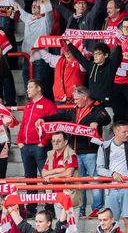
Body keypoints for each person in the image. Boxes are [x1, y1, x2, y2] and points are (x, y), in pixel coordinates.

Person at [39, 86, 110, 218]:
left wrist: (96, 121)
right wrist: (46, 119)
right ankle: (81, 208)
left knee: (94, 180)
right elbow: (61, 116)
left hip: (90, 151)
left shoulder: (97, 108)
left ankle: (98, 209)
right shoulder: (75, 109)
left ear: (84, 97)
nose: (75, 101)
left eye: (77, 99)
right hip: (75, 152)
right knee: (78, 182)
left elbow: (107, 119)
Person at [17, 79, 58, 216]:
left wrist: (44, 142)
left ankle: (50, 208)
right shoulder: (28, 105)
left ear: (38, 88)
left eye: (30, 87)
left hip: (40, 147)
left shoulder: (49, 105)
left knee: (46, 177)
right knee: (29, 178)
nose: (27, 90)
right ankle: (31, 208)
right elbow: (23, 124)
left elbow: (54, 126)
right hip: (26, 147)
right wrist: (19, 141)